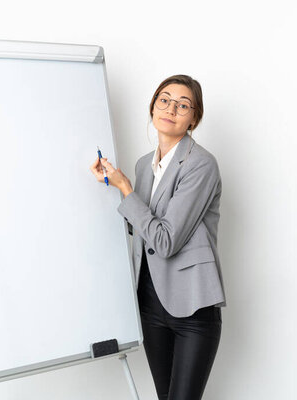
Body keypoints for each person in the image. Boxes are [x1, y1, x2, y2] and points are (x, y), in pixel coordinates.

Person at [89, 74, 225, 400]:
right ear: (153, 107)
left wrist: (124, 189)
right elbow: (142, 230)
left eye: (183, 105)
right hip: (151, 305)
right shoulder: (142, 166)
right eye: (164, 99)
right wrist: (113, 186)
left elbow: (165, 241)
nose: (171, 108)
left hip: (192, 308)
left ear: (195, 117)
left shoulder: (201, 165)